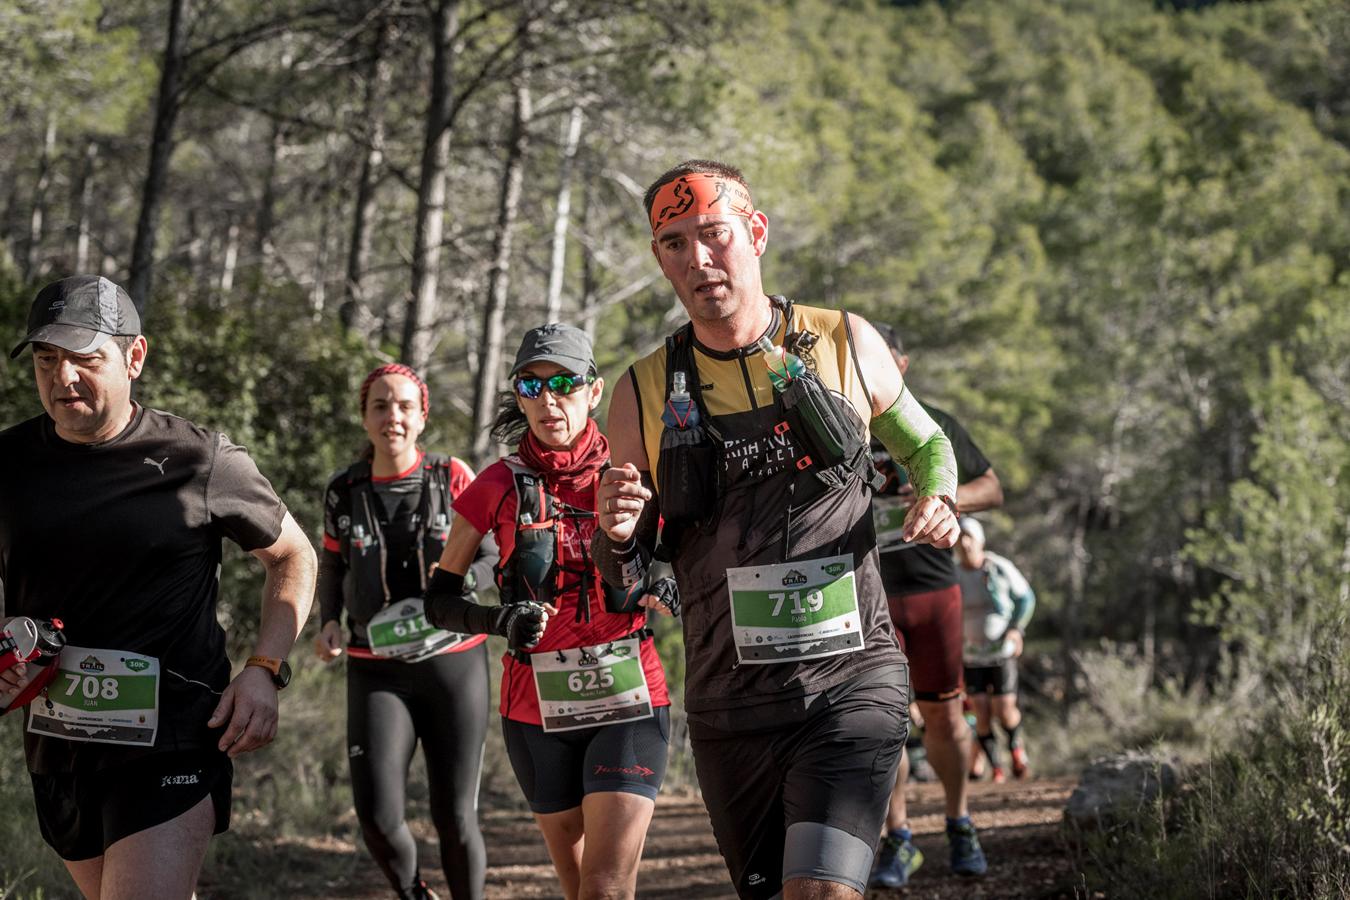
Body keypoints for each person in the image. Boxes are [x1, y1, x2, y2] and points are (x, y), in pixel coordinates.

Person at [593, 160, 961, 900]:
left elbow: (928, 445)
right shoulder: (640, 390)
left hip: (851, 682)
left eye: (714, 235)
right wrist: (620, 531)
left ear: (755, 233)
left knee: (820, 892)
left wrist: (940, 499)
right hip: (731, 703)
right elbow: (622, 567)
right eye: (673, 243)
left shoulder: (844, 340)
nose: (697, 259)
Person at [0, 275, 316, 899]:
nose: (62, 379)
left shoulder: (199, 461)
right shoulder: (8, 463)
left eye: (85, 360)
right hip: (58, 741)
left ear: (134, 357)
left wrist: (263, 667)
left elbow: (293, 556)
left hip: (172, 740)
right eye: (46, 361)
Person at [422, 324, 675, 900]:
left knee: (608, 885)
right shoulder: (496, 485)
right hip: (535, 707)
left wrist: (671, 582)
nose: (548, 399)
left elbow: (687, 557)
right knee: (576, 881)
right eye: (530, 386)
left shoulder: (638, 471)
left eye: (562, 383)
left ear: (593, 390)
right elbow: (439, 601)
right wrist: (498, 620)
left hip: (630, 698)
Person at [314, 363, 499, 900]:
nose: (391, 416)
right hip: (375, 668)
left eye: (403, 406)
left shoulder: (453, 477)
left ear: (422, 417)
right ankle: (414, 892)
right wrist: (328, 620)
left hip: (454, 660)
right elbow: (332, 566)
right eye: (379, 405)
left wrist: (461, 589)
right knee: (375, 816)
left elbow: (491, 557)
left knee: (454, 816)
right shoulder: (343, 490)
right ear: (364, 416)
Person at [867, 323, 1004, 886]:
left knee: (945, 716)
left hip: (931, 590)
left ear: (900, 363)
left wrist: (941, 496)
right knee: (884, 723)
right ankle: (897, 838)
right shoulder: (836, 420)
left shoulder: (934, 423)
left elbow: (992, 488)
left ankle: (959, 821)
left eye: (881, 356)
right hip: (866, 591)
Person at [956, 517, 1035, 783]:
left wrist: (1016, 629)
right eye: (959, 538)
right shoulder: (952, 573)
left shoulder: (999, 567)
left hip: (1001, 652)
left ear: (980, 541)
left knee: (1004, 709)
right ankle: (997, 769)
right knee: (980, 712)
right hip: (970, 654)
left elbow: (1026, 598)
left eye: (969, 537)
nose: (964, 544)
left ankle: (1016, 751)